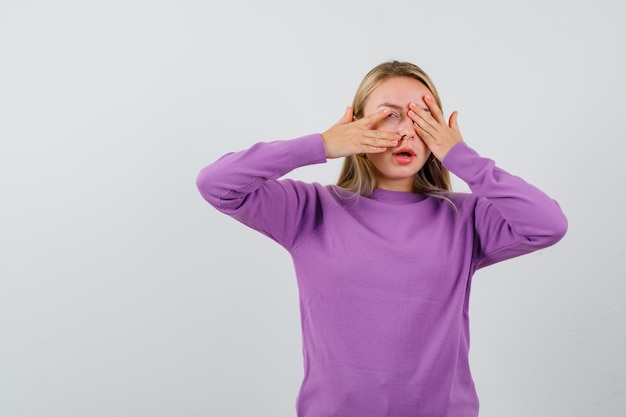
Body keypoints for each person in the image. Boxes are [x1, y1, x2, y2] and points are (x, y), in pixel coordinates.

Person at [196, 60, 568, 417]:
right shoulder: (309, 209)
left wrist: (461, 157)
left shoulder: (465, 218)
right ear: (357, 126)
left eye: (422, 117)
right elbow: (216, 184)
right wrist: (322, 144)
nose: (406, 130)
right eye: (390, 115)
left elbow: (548, 224)